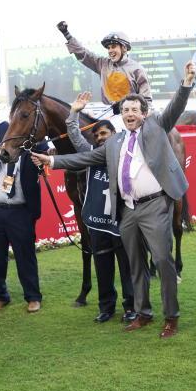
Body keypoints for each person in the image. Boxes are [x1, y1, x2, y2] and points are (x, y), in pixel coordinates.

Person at [32, 61, 196, 339]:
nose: (130, 113)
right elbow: (84, 157)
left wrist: (187, 82)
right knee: (135, 264)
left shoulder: (157, 127)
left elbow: (176, 107)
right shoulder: (114, 142)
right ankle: (143, 313)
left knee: (162, 261)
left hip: (156, 206)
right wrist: (52, 160)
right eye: (126, 110)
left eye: (134, 109)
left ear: (144, 113)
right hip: (128, 210)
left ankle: (171, 317)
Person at [0, 74, 44, 314]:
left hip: (21, 211)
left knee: (25, 256)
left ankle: (33, 297)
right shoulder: (0, 130)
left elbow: (50, 153)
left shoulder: (35, 138)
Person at [66, 91, 135, 324]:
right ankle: (106, 307)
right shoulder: (91, 155)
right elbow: (74, 135)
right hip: (98, 223)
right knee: (102, 267)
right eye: (96, 135)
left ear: (115, 134)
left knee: (126, 266)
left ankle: (131, 306)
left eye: (104, 133)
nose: (99, 137)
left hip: (121, 221)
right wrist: (74, 112)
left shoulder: (127, 152)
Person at [57, 21, 152, 114]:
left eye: (113, 46)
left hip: (130, 114)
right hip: (107, 112)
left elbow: (146, 100)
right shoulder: (103, 64)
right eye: (108, 48)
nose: (110, 50)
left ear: (124, 48)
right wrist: (67, 34)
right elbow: (83, 53)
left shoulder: (137, 69)